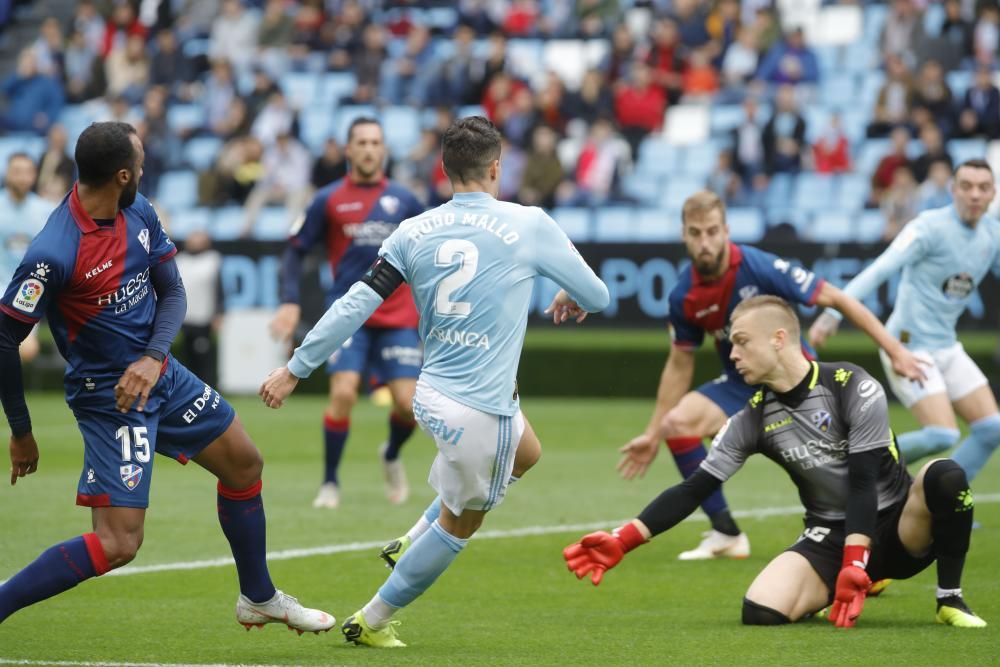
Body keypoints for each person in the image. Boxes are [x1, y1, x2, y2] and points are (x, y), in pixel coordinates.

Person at [260, 116, 610, 647]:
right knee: (461, 524)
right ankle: (372, 620)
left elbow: (354, 302)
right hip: (480, 410)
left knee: (527, 451)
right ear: (497, 167)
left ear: (443, 170)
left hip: (431, 394)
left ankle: (409, 539)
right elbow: (600, 296)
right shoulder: (530, 224)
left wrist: (294, 369)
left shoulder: (412, 229)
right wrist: (572, 294)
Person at [0, 122, 333, 632]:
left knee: (244, 463)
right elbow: (5, 339)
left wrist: (155, 357)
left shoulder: (138, 209)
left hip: (161, 373)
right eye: (141, 160)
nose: (147, 167)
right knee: (118, 544)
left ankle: (258, 597)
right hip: (111, 397)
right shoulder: (53, 251)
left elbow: (173, 293)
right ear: (122, 174)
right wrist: (21, 432)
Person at [566, 296, 986, 629]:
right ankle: (836, 590)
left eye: (742, 342)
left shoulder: (853, 385)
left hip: (899, 528)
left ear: (779, 339)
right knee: (761, 612)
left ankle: (948, 597)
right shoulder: (750, 419)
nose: (732, 354)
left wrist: (856, 561)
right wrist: (624, 539)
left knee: (945, 475)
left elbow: (862, 482)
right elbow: (695, 488)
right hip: (829, 536)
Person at [617, 191, 926, 560]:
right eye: (696, 233)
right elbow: (679, 363)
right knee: (677, 424)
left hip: (794, 383)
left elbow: (838, 299)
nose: (705, 242)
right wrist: (652, 434)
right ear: (684, 235)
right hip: (741, 384)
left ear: (726, 230)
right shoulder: (684, 295)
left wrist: (896, 351)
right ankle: (726, 533)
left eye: (713, 231)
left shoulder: (759, 266)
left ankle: (883, 539)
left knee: (842, 471)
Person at [269, 117, 426, 509]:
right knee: (342, 394)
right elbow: (295, 250)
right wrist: (290, 300)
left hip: (398, 317)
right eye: (362, 142)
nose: (370, 149)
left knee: (409, 406)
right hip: (348, 314)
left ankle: (390, 453)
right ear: (348, 150)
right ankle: (330, 483)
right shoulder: (328, 199)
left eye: (376, 142)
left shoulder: (406, 201)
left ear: (384, 150)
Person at [811, 159, 1000, 481]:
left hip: (947, 347)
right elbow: (881, 269)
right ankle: (851, 464)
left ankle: (943, 504)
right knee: (942, 434)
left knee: (991, 429)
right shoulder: (928, 227)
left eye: (983, 188)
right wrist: (832, 312)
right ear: (953, 190)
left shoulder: (992, 234)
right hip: (907, 345)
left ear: (993, 193)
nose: (974, 195)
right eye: (966, 186)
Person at [0, 153, 54, 362]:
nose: (22, 177)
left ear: (34, 175)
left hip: (28, 292)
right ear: (7, 174)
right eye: (17, 172)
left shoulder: (46, 211)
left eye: (27, 172)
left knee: (27, 349)